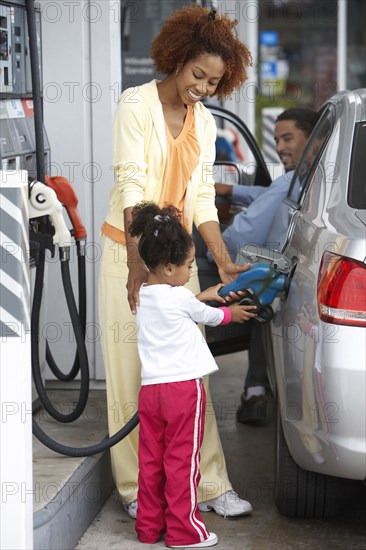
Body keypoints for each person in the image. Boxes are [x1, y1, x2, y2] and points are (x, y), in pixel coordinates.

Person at [98, 5, 253, 520]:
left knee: (189, 375)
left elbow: (203, 194)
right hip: (128, 255)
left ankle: (208, 485)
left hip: (174, 267)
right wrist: (139, 259)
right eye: (197, 75)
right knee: (131, 376)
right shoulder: (135, 104)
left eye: (213, 81)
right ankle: (136, 490)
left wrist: (222, 259)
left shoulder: (204, 121)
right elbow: (131, 179)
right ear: (177, 58)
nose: (203, 88)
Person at [129, 202, 257, 548]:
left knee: (151, 462)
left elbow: (182, 307)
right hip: (184, 392)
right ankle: (186, 533)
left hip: (151, 394)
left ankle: (149, 528)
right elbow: (212, 317)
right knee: (183, 462)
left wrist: (204, 297)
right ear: (169, 267)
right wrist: (232, 312)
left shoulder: (141, 295)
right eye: (187, 265)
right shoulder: (181, 297)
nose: (190, 271)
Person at [211, 107, 321, 423]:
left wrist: (211, 248)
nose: (281, 146)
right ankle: (260, 388)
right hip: (305, 270)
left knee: (261, 306)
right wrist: (233, 190)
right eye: (277, 139)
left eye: (288, 138)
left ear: (314, 138)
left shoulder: (293, 179)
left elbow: (244, 233)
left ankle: (257, 391)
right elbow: (272, 193)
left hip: (281, 272)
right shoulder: (316, 177)